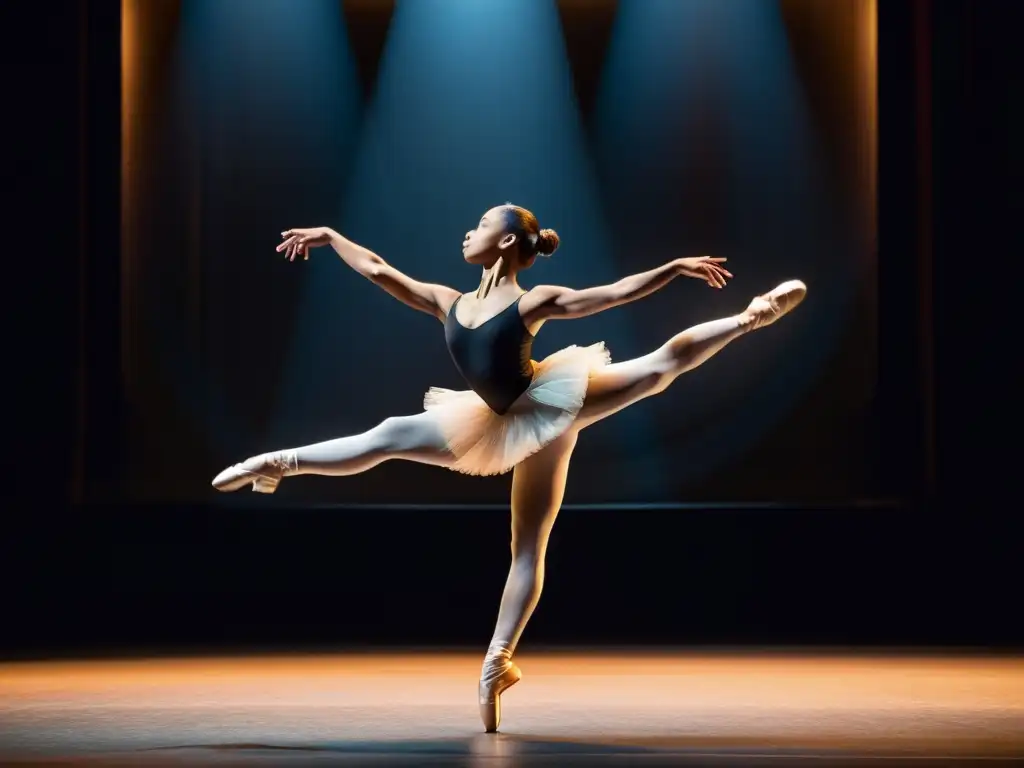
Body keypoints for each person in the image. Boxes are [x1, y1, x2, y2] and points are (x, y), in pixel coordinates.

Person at [212, 203, 806, 732]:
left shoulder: (533, 302)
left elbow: (616, 293)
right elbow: (376, 269)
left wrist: (673, 268)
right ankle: (275, 464)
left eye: (479, 225)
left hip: (549, 403)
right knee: (393, 439)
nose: (466, 231)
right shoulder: (450, 301)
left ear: (503, 243)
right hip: (494, 418)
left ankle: (752, 315)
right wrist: (329, 234)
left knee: (653, 373)